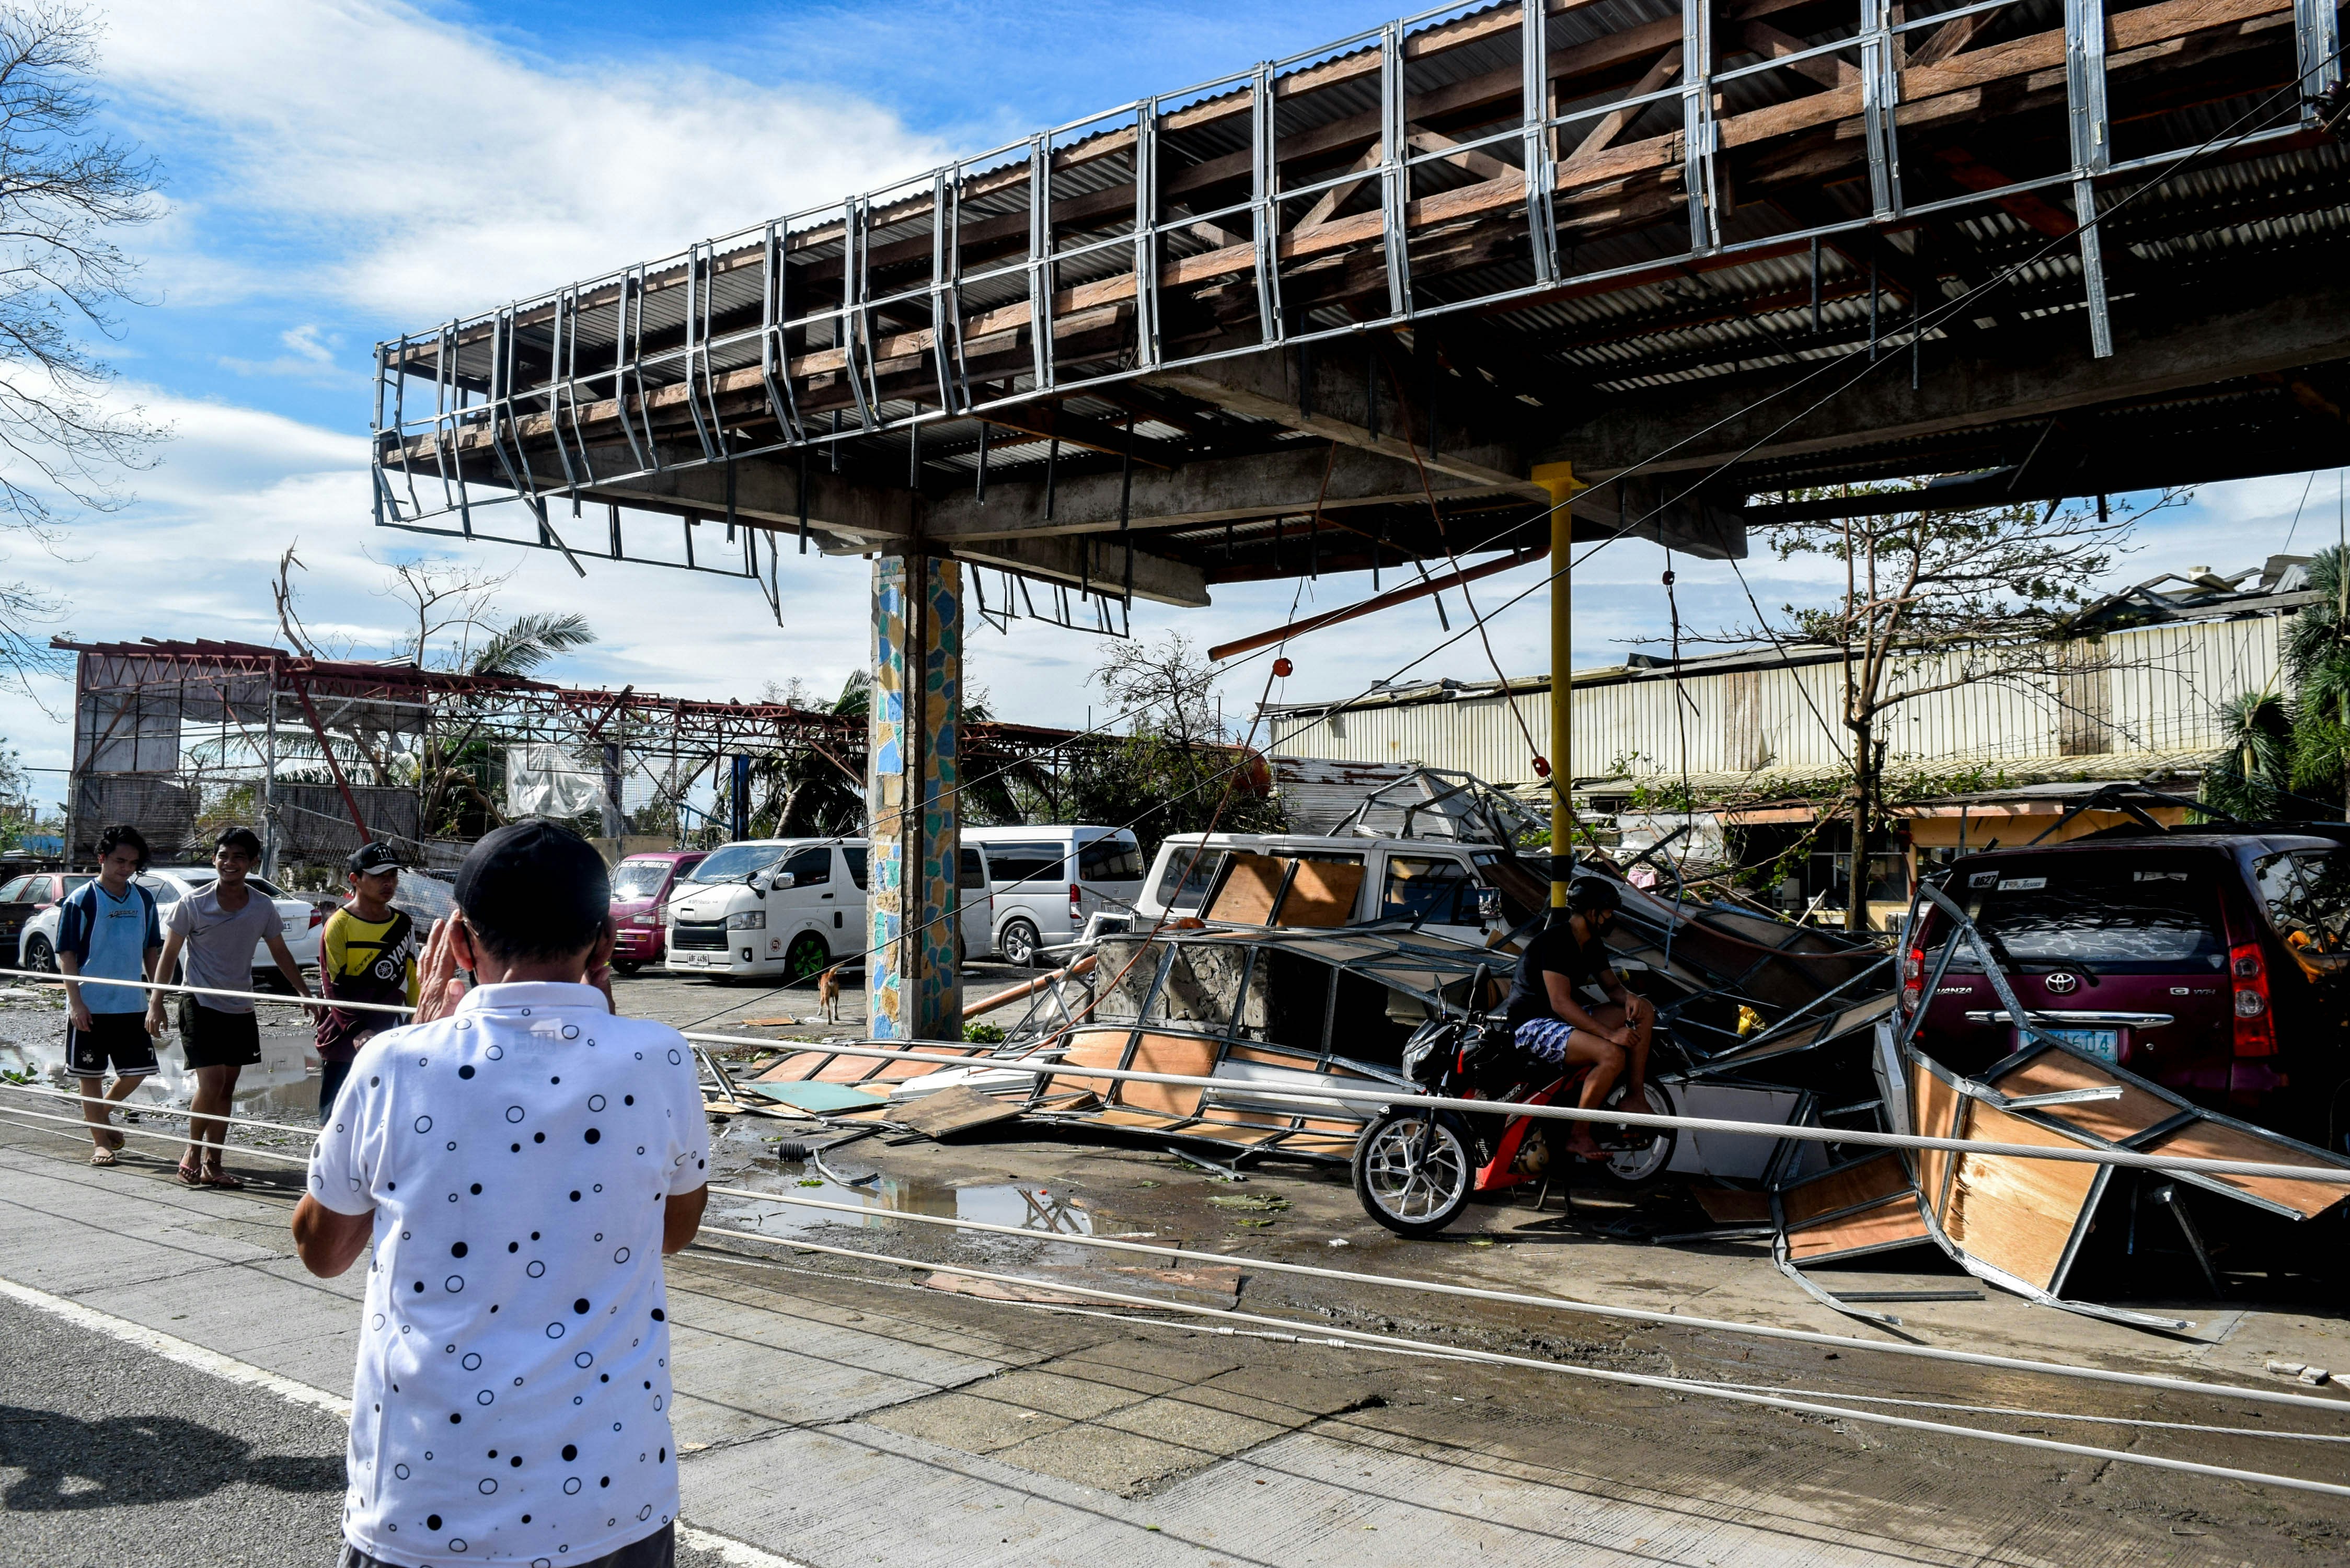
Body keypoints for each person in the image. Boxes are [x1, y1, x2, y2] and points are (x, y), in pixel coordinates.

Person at [293, 820, 709, 1568]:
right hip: (611, 1498)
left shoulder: (395, 1064)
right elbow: (672, 1233)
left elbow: (322, 1251)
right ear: (604, 945)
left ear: (458, 943)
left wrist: (417, 1041)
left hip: (425, 1498)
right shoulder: (661, 1060)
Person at [145, 826, 314, 1189]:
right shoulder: (193, 903)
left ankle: (214, 1163)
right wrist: (156, 1002)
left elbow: (281, 952)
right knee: (212, 1083)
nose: (230, 863)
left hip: (240, 1007)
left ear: (253, 862)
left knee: (226, 1088)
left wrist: (304, 992)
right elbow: (169, 954)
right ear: (214, 859)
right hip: (199, 1002)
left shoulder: (262, 906)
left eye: (239, 857)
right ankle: (191, 1152)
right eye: (224, 855)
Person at [1498, 878, 1656, 1161]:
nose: (1612, 918)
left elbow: (1612, 988)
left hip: (1562, 1020)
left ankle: (1635, 1096)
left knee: (1644, 1010)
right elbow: (1560, 1002)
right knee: (1611, 1055)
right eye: (1608, 912)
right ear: (1593, 913)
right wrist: (1610, 1034)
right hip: (1532, 1025)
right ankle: (1579, 1134)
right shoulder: (1557, 941)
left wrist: (1630, 997)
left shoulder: (1591, 944)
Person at [57, 824, 163, 1167]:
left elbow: (151, 950)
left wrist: (157, 997)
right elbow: (67, 954)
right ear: (102, 858)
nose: (126, 868)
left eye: (133, 863)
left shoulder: (144, 899)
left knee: (138, 1070)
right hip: (91, 1004)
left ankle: (100, 1115)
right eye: (120, 861)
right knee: (90, 1076)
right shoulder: (81, 900)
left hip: (132, 1003)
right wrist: (76, 1002)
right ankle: (100, 1143)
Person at [316, 841, 422, 1124]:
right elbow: (333, 987)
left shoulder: (403, 923)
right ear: (355, 879)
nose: (388, 883)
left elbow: (413, 977)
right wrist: (358, 1030)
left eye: (393, 876)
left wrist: (419, 1022)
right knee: (337, 1119)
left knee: (388, 1117)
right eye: (378, 876)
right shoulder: (339, 924)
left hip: (391, 1033)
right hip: (345, 1036)